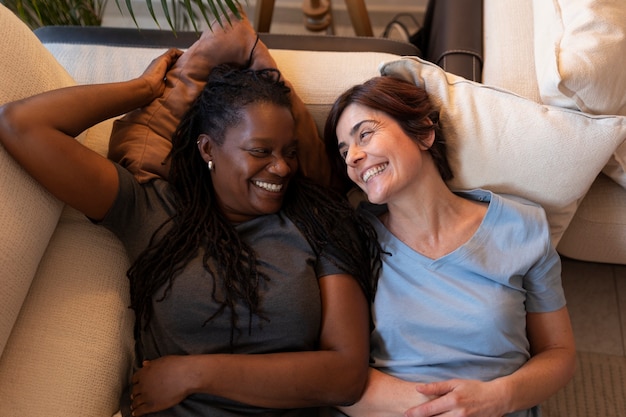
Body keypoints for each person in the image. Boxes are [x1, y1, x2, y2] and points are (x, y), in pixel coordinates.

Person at [0, 15, 382, 417]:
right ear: (207, 150)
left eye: (289, 152)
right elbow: (20, 125)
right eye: (260, 151)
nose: (283, 168)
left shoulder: (319, 221)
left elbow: (345, 374)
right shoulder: (151, 210)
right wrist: (142, 89)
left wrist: (193, 373)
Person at [323, 75, 576, 417]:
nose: (352, 156)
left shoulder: (522, 227)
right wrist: (446, 409)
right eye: (344, 151)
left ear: (425, 133)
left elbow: (559, 353)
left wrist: (497, 399)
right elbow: (332, 377)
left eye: (364, 134)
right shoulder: (353, 238)